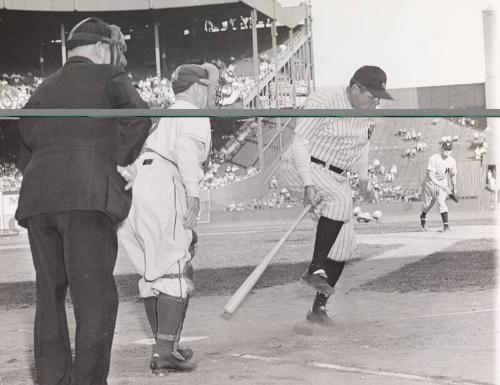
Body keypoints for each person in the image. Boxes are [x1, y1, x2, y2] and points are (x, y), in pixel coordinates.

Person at [15, 18, 150, 385]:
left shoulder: (43, 87)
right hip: (87, 198)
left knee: (50, 296)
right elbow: (140, 115)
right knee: (95, 302)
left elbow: (19, 136)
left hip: (39, 201)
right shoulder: (109, 77)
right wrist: (119, 160)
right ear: (102, 49)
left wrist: (42, 173)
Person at [118, 63, 219, 374]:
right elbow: (186, 149)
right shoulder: (190, 111)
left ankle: (168, 346)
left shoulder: (164, 115)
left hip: (135, 188)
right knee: (175, 267)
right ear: (197, 88)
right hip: (163, 184)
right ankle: (164, 352)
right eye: (209, 89)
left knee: (152, 274)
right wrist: (193, 193)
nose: (211, 95)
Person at [280, 65, 393, 326]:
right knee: (341, 201)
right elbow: (300, 143)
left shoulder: (370, 114)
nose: (376, 101)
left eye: (379, 96)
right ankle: (314, 269)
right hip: (305, 165)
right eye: (372, 95)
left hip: (336, 175)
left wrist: (363, 180)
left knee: (344, 246)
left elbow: (362, 146)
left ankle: (318, 309)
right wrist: (307, 185)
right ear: (355, 88)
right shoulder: (323, 99)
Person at [419, 139, 458, 231]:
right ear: (441, 148)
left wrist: (454, 188)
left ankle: (446, 226)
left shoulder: (452, 161)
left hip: (442, 181)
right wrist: (444, 187)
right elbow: (431, 176)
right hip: (430, 183)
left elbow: (453, 174)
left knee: (441, 202)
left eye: (449, 149)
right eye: (445, 149)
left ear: (451, 150)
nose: (447, 151)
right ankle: (423, 216)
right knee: (427, 205)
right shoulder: (434, 158)